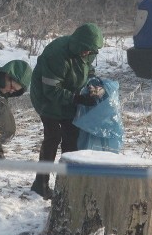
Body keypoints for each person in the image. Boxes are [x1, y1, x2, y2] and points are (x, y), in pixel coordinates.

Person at [29, 23, 104, 199]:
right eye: (85, 50)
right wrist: (77, 98)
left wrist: (92, 84)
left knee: (71, 140)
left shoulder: (86, 51)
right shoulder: (57, 54)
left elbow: (88, 69)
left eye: (90, 52)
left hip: (68, 96)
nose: (87, 54)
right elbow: (51, 90)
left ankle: (67, 184)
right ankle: (40, 183)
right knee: (53, 137)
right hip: (46, 99)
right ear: (78, 44)